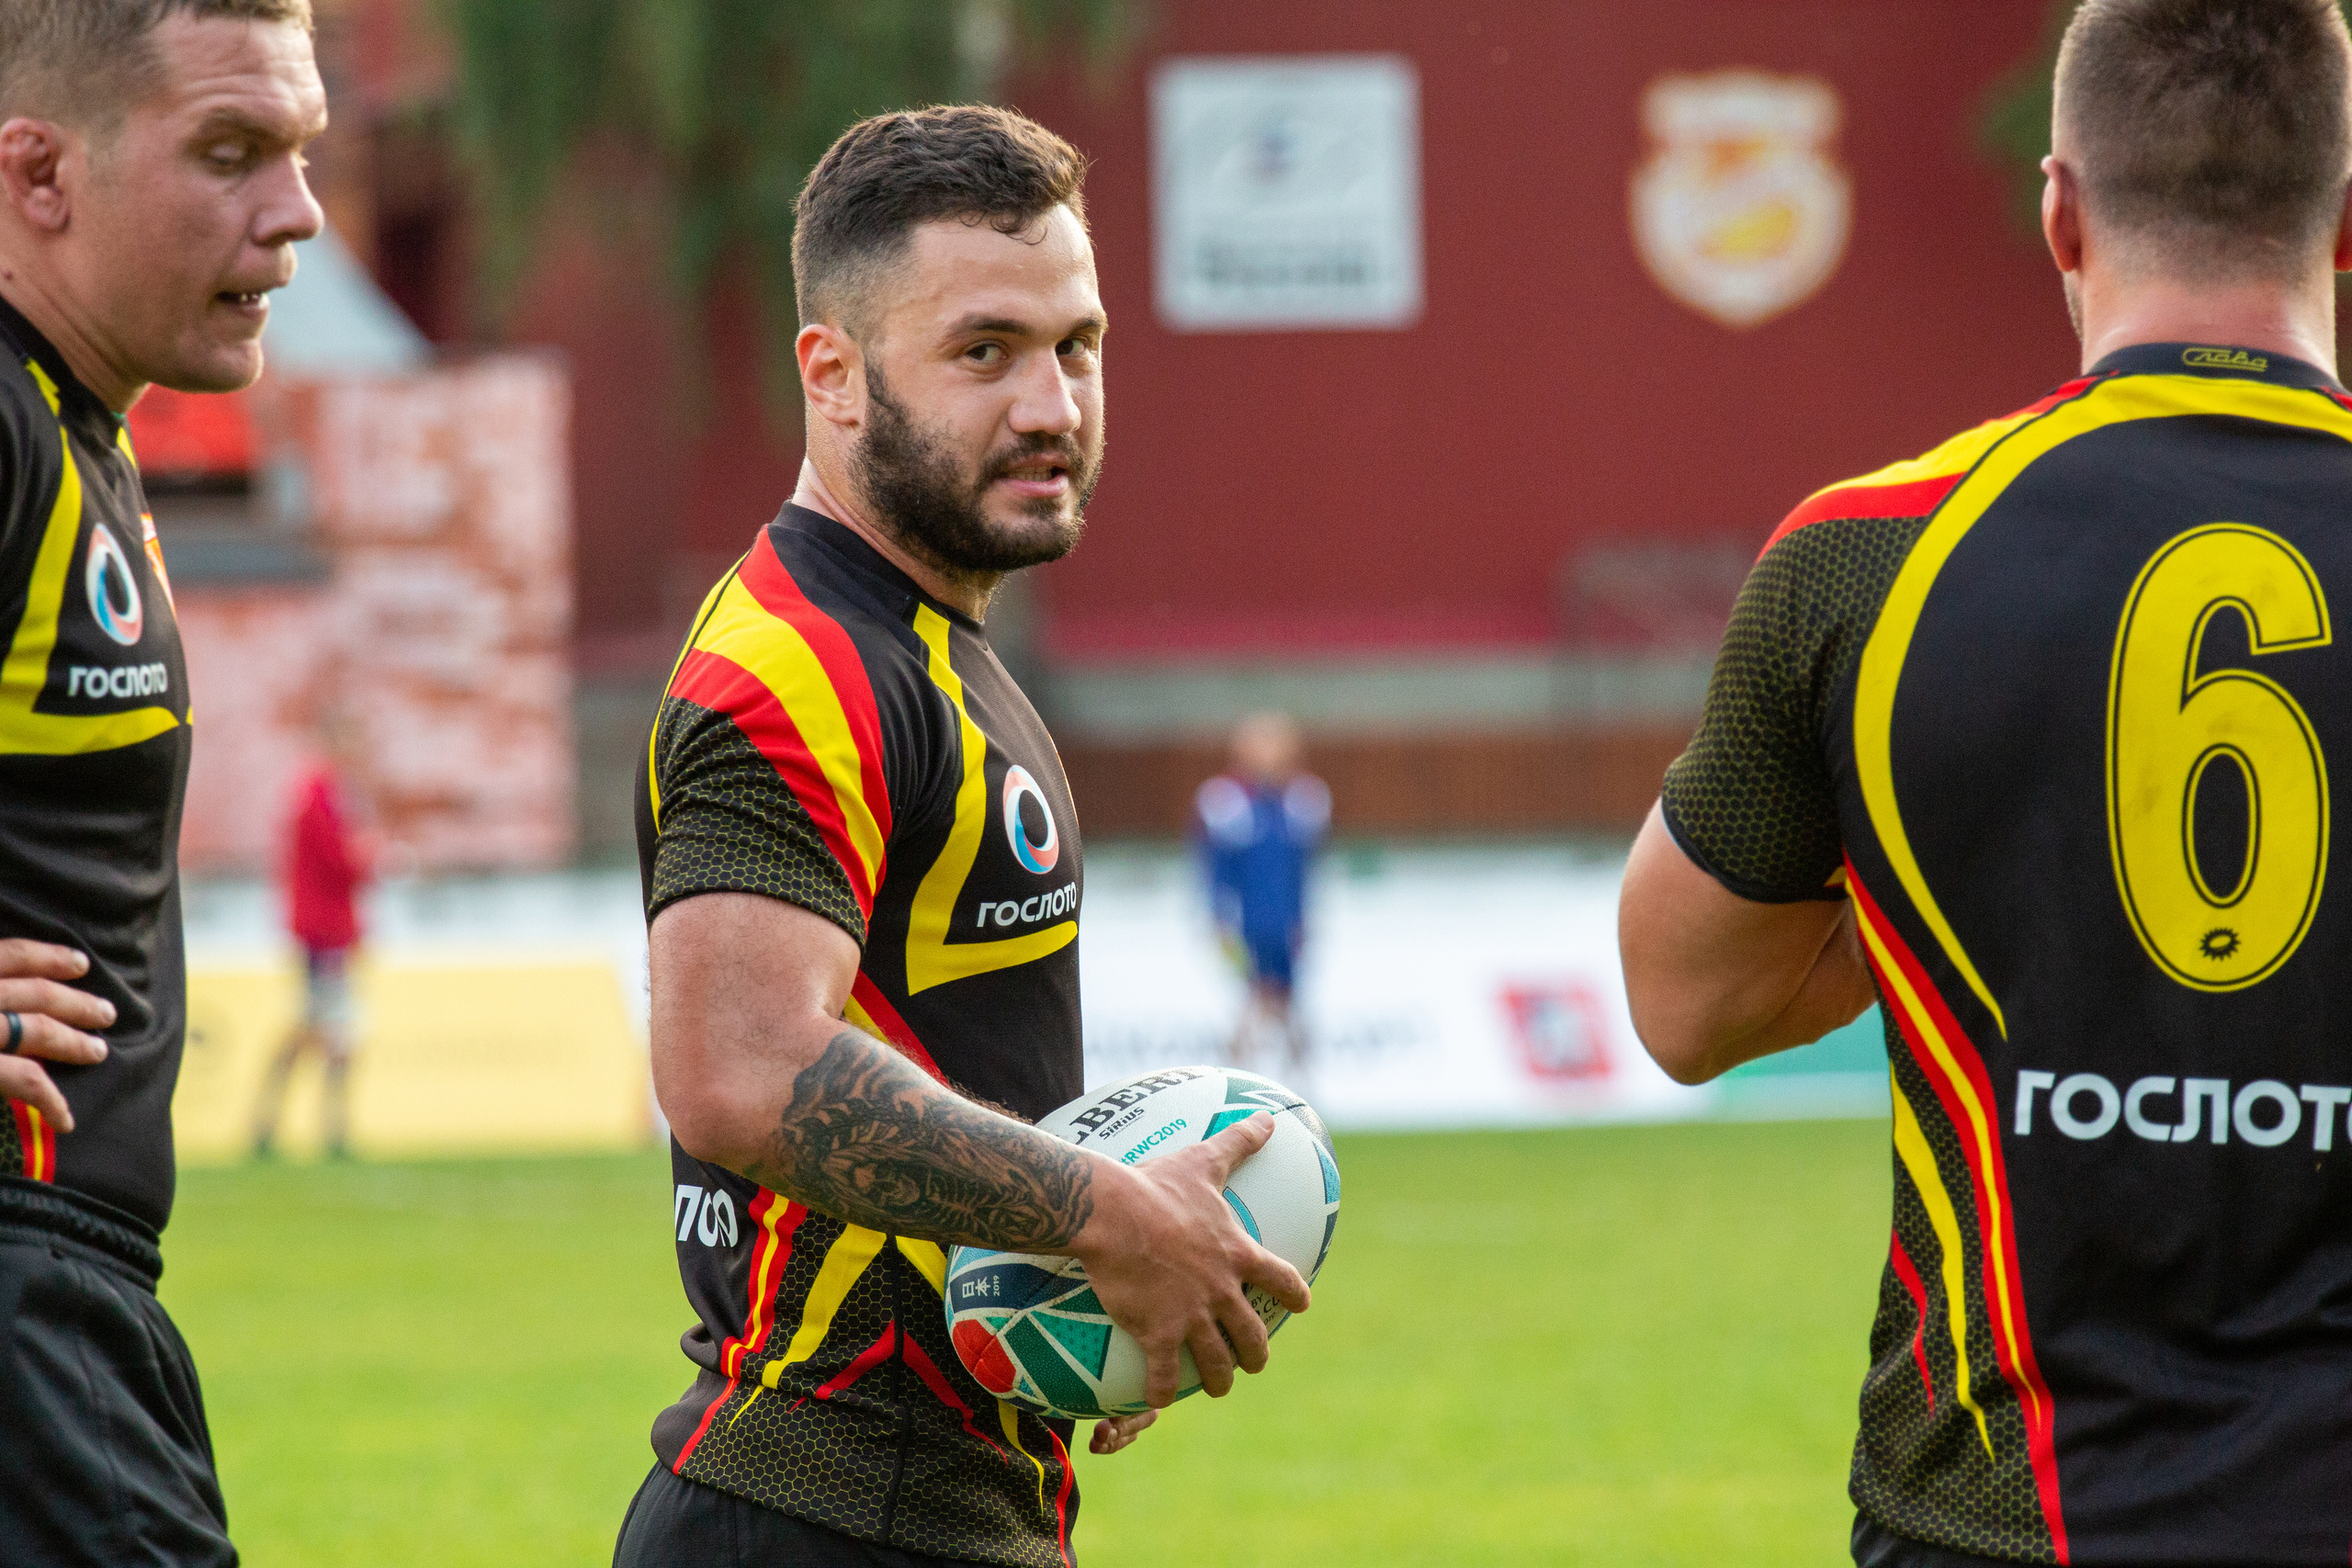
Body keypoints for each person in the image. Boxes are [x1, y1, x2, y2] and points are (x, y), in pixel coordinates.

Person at [1618, 2, 2352, 1563]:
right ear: (2346, 219)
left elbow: (1687, 1005)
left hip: (1996, 1519)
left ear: (2062, 211)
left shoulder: (1866, 558)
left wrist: (1981, 873)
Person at [619, 106, 1309, 1568]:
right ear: (836, 376)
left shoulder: (934, 641)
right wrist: (1104, 1214)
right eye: (985, 352)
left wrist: (1074, 1290)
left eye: (1080, 345)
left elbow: (929, 1050)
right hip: (817, 1508)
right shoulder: (795, 664)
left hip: (929, 1502)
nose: (1054, 404)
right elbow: (738, 1064)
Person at [0, 3, 325, 1564]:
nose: (301, 210)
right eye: (229, 151)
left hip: (74, 1300)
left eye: (302, 152)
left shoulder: (78, 433)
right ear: (39, 172)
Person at [250, 714, 370, 1159]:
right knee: (326, 1029)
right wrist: (370, 853)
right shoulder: (322, 793)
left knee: (326, 1028)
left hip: (325, 930)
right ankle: (318, 1128)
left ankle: (317, 1127)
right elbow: (341, 861)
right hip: (324, 931)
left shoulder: (320, 792)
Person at [1193, 712, 1329, 1076]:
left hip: (1284, 919)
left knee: (1288, 1001)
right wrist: (1219, 920)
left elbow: (1302, 872)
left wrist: (1303, 919)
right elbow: (1215, 872)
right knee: (1253, 1001)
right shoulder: (1226, 802)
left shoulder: (1302, 802)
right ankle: (1239, 1078)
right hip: (1247, 921)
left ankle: (1302, 1082)